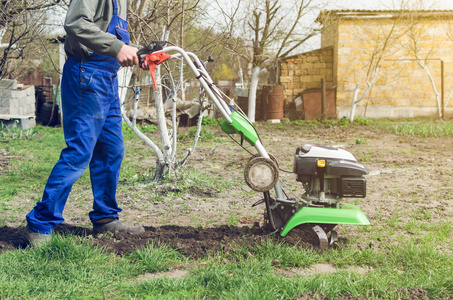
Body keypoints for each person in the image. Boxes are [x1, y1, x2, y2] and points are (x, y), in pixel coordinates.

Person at [24, 0, 146, 245]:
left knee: (111, 149)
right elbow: (76, 23)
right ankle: (40, 222)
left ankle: (105, 218)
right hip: (86, 74)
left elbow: (109, 37)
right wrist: (116, 47)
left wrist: (137, 52)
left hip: (106, 78)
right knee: (80, 151)